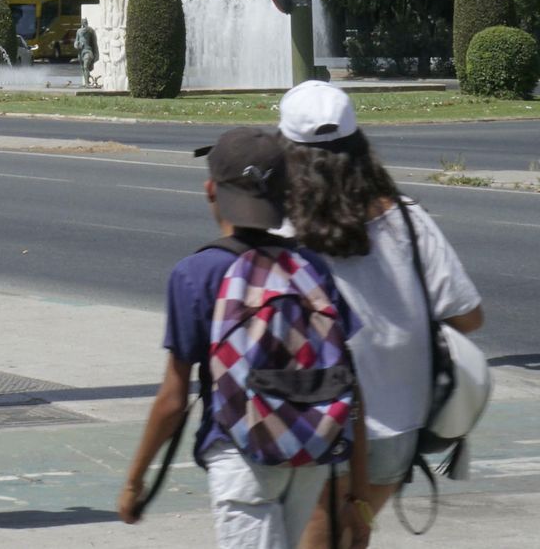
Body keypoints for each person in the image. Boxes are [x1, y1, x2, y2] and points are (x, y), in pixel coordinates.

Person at [117, 126, 368, 549]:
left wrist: (135, 480)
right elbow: (353, 385)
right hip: (309, 452)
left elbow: (173, 398)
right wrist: (356, 495)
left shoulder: (195, 274)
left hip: (241, 454)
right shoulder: (310, 267)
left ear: (211, 190)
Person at [277, 81, 484, 549]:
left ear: (288, 153)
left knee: (318, 531)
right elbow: (469, 317)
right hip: (398, 420)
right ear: (360, 148)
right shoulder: (407, 219)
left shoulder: (281, 228)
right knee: (353, 534)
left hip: (311, 416)